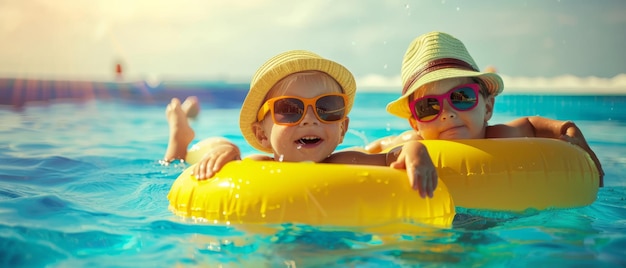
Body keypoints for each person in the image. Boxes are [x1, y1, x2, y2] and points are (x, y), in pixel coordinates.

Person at [163, 50, 438, 198]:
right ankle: (179, 137)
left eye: (327, 107)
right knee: (176, 161)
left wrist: (415, 151)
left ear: (342, 129)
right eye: (289, 108)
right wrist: (229, 154)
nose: (309, 118)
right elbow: (227, 168)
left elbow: (394, 157)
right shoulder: (260, 165)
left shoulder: (347, 162)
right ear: (261, 134)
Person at [368, 31, 604, 186]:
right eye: (428, 106)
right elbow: (366, 154)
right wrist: (410, 151)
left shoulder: (497, 136)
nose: (447, 113)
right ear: (414, 122)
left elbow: (531, 124)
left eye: (461, 97)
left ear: (488, 107)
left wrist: (569, 128)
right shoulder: (414, 141)